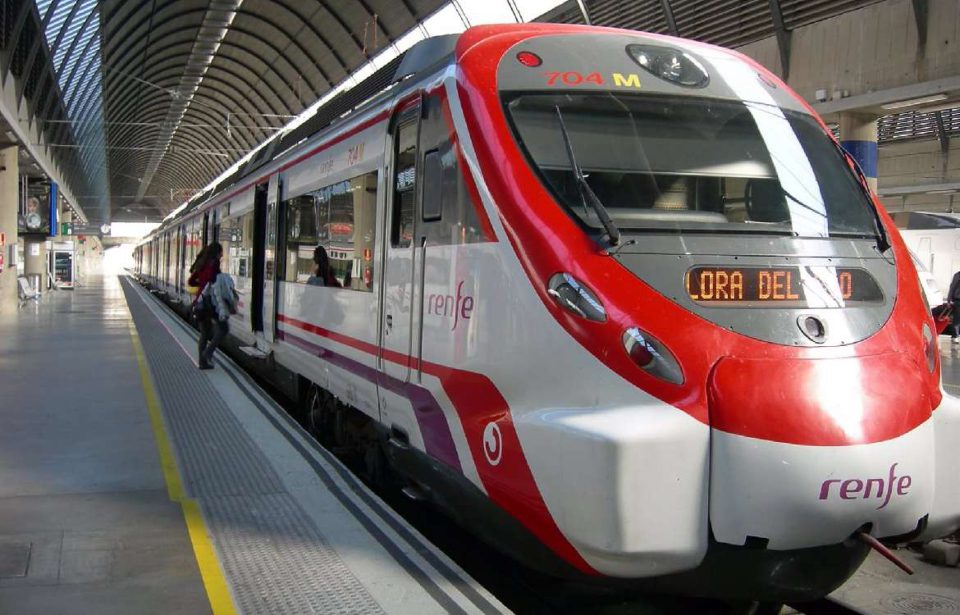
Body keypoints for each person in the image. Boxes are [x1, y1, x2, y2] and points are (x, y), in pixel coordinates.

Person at [198, 256, 238, 370]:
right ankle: (206, 354)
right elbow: (227, 295)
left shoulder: (210, 278)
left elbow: (204, 294)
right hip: (218, 310)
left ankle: (203, 361)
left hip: (208, 310)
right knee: (224, 329)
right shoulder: (221, 278)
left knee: (205, 334)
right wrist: (232, 304)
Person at [949, 269, 960, 344]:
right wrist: (949, 299)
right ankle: (955, 336)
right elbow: (952, 287)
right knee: (957, 319)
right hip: (958, 300)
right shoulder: (957, 275)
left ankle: (956, 336)